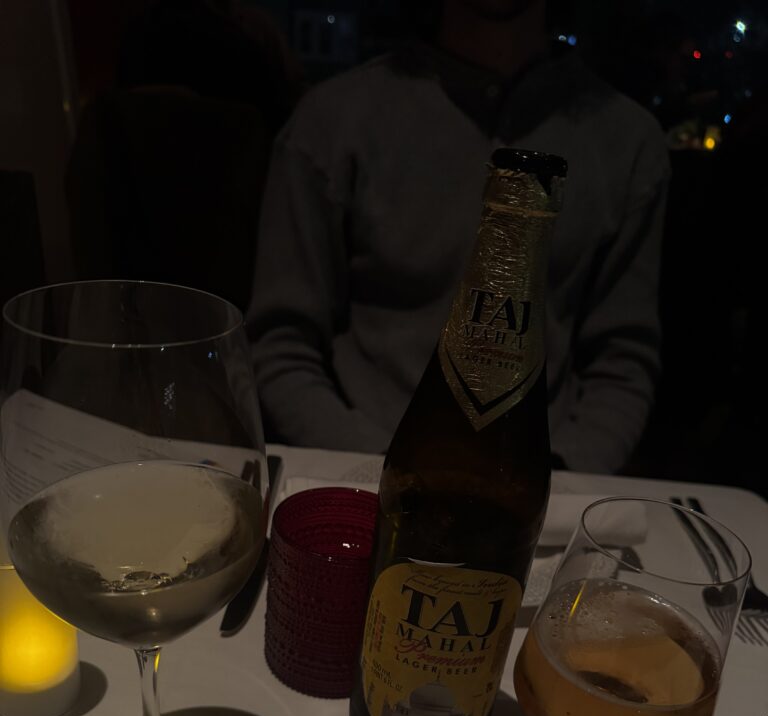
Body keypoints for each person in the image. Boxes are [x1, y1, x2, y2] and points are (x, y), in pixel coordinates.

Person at [246, 0, 670, 473]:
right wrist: (380, 471)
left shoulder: (631, 142)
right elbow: (280, 344)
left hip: (543, 480)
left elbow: (622, 363)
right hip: (362, 473)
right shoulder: (330, 121)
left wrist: (556, 478)